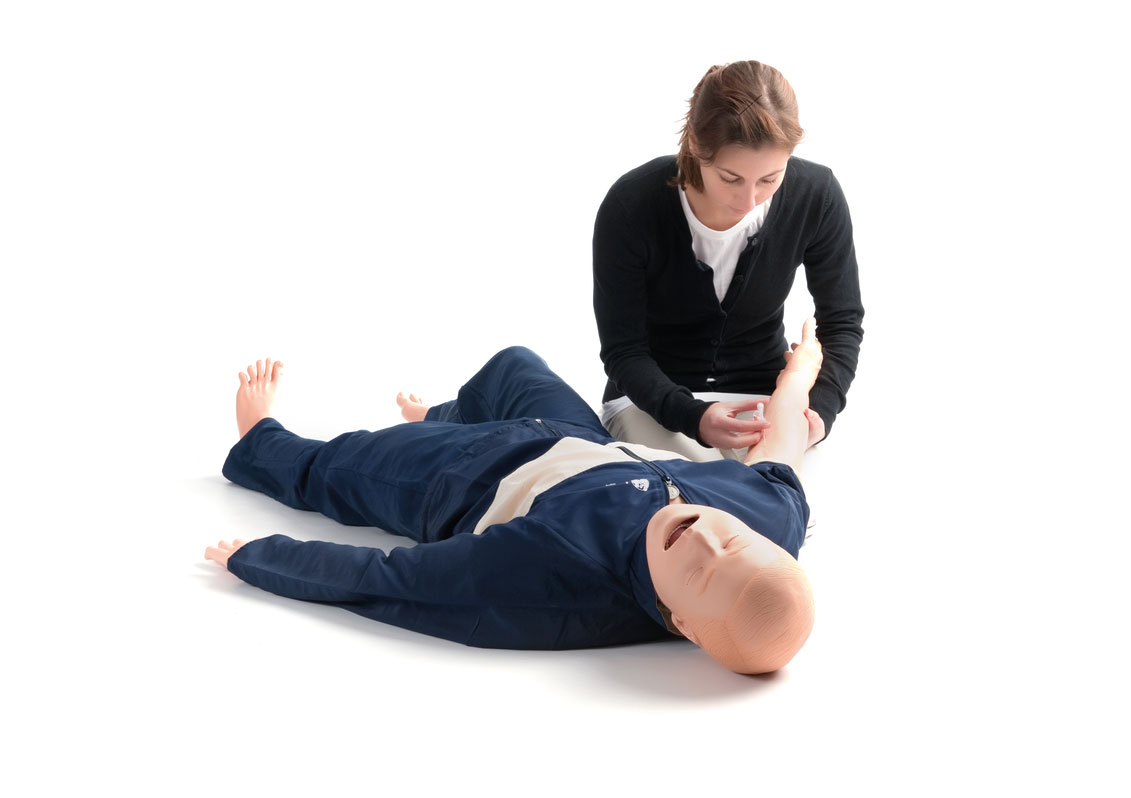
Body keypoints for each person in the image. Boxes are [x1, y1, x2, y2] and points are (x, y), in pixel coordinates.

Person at [206, 319, 825, 674]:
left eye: (699, 569)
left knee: (335, 466)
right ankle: (445, 413)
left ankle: (260, 442)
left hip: (467, 475)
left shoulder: (560, 580)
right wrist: (798, 375)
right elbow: (783, 443)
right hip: (578, 441)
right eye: (733, 540)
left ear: (682, 623)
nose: (705, 536)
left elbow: (396, 582)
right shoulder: (771, 517)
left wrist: (261, 559)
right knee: (513, 365)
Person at [593, 60, 864, 461]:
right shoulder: (632, 205)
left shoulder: (817, 196)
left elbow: (842, 322)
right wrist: (694, 416)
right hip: (650, 401)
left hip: (764, 396)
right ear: (695, 145)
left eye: (770, 179)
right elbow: (624, 351)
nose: (749, 200)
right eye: (731, 178)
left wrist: (817, 415)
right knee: (685, 491)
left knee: (775, 495)